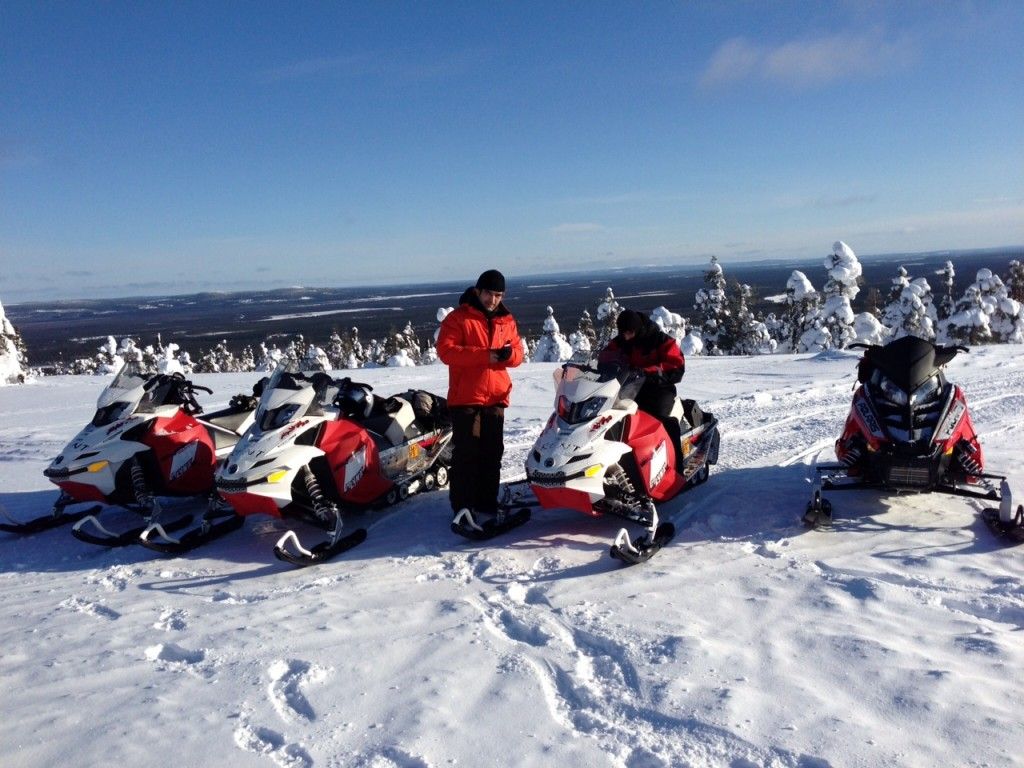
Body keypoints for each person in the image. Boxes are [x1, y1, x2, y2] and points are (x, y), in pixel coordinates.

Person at [436, 269, 524, 527]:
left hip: (496, 395)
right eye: (489, 293)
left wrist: (509, 356)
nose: (493, 300)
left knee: (492, 452)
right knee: (467, 453)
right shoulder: (458, 318)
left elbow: (518, 352)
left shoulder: (506, 320)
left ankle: (487, 501)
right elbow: (447, 351)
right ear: (478, 291)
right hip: (466, 397)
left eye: (498, 295)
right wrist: (486, 355)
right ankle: (462, 505)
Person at [597, 309, 686, 464]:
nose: (625, 336)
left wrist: (650, 372)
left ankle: (677, 465)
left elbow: (676, 366)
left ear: (638, 329)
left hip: (658, 389)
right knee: (606, 419)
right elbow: (605, 357)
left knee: (661, 420)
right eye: (623, 332)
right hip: (628, 389)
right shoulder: (620, 342)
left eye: (629, 332)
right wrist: (595, 367)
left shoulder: (660, 340)